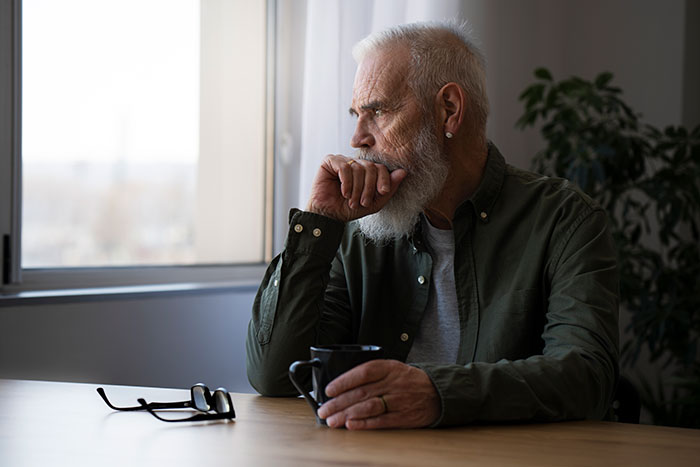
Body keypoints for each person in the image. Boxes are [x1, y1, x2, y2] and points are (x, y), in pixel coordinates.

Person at [245, 21, 619, 429]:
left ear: (449, 110)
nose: (357, 138)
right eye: (356, 115)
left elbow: (587, 376)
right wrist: (319, 220)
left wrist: (438, 392)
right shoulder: (358, 230)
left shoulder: (565, 220)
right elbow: (275, 376)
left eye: (378, 111)